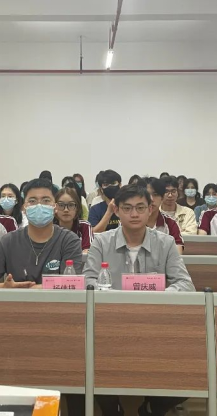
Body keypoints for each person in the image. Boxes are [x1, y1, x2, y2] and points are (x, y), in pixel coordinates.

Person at [84, 183, 194, 417]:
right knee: (89, 360)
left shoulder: (165, 243)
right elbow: (87, 283)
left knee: (193, 370)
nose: (134, 214)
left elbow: (185, 284)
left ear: (150, 209)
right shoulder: (101, 242)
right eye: (127, 208)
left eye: (140, 208)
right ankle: (111, 407)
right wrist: (114, 298)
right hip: (109, 326)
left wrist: (158, 297)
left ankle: (153, 407)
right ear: (116, 211)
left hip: (157, 325)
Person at [0, 178, 83, 288]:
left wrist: (32, 289)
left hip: (55, 300)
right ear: (24, 208)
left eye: (46, 200)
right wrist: (4, 287)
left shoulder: (69, 240)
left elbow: (73, 283)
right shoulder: (8, 241)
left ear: (55, 207)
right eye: (32, 201)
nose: (39, 205)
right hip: (16, 299)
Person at [144, 178, 184, 251]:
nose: (151, 199)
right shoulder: (132, 222)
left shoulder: (170, 224)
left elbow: (177, 253)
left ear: (162, 198)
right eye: (147, 194)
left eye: (155, 194)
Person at [54, 187, 93, 253]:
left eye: (71, 205)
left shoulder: (85, 226)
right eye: (61, 205)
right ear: (55, 207)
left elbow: (88, 252)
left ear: (77, 208)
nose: (66, 210)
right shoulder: (49, 227)